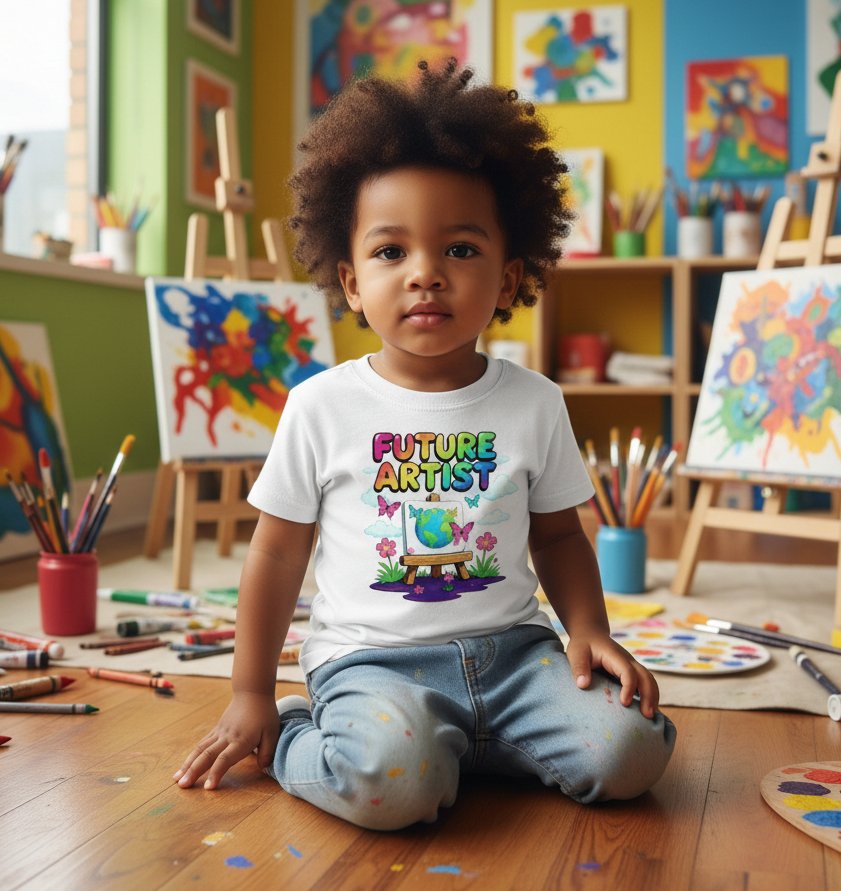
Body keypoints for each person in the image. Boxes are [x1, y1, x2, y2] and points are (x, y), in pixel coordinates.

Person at [174, 59, 676, 830]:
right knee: (388, 785)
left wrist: (588, 632)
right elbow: (274, 555)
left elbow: (558, 535)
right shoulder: (319, 405)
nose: (425, 275)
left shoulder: (534, 401)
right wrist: (247, 694)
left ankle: (462, 744)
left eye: (461, 250)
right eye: (389, 252)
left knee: (630, 753)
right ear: (348, 282)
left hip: (516, 657)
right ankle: (302, 738)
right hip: (371, 664)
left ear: (509, 280)